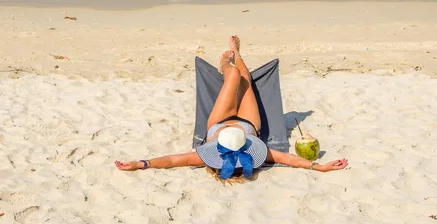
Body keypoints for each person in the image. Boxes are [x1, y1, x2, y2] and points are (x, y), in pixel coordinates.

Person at [115, 36, 348, 180]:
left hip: (218, 121)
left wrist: (141, 163)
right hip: (249, 123)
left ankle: (225, 63)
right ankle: (237, 53)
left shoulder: (208, 155)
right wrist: (320, 167)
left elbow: (173, 161)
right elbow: (290, 160)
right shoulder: (256, 153)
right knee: (245, 77)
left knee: (233, 75)